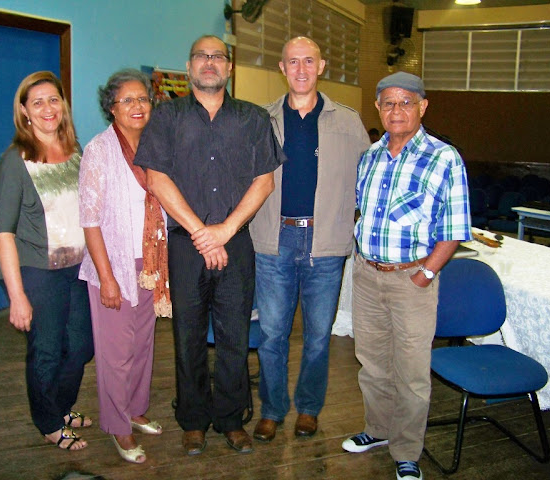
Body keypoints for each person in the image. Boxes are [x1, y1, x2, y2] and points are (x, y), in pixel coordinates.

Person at [134, 34, 285, 456]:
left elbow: (265, 182)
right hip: (186, 247)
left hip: (236, 244)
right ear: (189, 67)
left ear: (229, 67)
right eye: (201, 56)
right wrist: (203, 233)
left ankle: (231, 419)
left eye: (218, 56)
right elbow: (156, 178)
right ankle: (194, 420)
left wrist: (225, 231)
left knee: (235, 336)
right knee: (188, 337)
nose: (209, 62)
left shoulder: (254, 118)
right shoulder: (167, 117)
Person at [342, 72, 472, 480]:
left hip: (412, 280)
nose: (396, 110)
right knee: (372, 364)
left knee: (412, 373)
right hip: (367, 276)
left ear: (422, 107)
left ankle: (406, 450)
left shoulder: (444, 158)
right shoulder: (370, 156)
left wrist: (426, 273)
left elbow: (454, 229)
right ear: (377, 108)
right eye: (388, 103)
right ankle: (378, 429)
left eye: (406, 102)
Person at [249, 36, 370, 442]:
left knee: (318, 336)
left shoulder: (348, 122)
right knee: (272, 335)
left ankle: (309, 408)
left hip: (325, 244)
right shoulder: (261, 120)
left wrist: (350, 219)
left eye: (308, 61)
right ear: (282, 68)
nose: (301, 69)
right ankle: (272, 409)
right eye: (292, 62)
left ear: (321, 66)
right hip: (274, 239)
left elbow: (367, 179)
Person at [0, 71, 94, 451]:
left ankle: (60, 406)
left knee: (82, 346)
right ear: (24, 111)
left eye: (54, 100)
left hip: (79, 268)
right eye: (37, 102)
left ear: (63, 105)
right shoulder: (15, 161)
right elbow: (4, 233)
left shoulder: (75, 152)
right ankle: (48, 422)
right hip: (38, 272)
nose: (47, 108)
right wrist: (17, 296)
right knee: (47, 350)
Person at [78, 69, 171, 464]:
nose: (137, 106)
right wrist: (107, 278)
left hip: (150, 262)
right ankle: (117, 426)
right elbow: (90, 220)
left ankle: (135, 409)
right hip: (113, 263)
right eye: (127, 100)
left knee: (142, 345)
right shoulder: (99, 150)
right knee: (115, 353)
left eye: (143, 99)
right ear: (111, 108)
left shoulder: (156, 146)